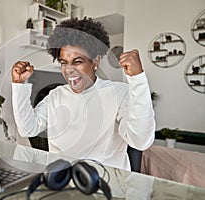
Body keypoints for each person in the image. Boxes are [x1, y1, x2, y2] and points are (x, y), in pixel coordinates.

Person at [11, 17, 155, 171]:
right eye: (63, 62)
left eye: (77, 61)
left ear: (95, 61)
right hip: (61, 181)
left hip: (106, 186)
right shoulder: (56, 95)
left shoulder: (119, 93)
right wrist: (19, 86)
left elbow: (141, 141)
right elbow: (28, 129)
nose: (68, 70)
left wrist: (138, 79)